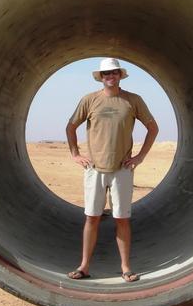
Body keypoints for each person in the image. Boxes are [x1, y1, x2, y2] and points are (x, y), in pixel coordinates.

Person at [66, 58, 159, 283]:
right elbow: (71, 126)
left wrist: (140, 156)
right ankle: (84, 266)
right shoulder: (89, 100)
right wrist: (75, 154)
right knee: (92, 218)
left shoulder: (132, 100)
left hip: (122, 170)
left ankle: (126, 268)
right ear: (101, 76)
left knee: (122, 219)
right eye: (106, 73)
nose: (110, 76)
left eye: (114, 72)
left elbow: (152, 127)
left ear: (120, 75)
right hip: (94, 169)